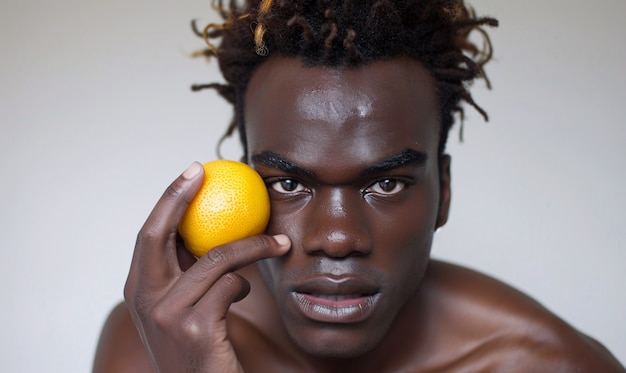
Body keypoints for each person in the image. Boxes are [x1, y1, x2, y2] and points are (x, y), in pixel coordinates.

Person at [93, 0, 626, 372]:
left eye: (388, 184)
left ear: (443, 190)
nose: (338, 237)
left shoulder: (550, 364)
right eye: (286, 183)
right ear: (247, 184)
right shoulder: (168, 340)